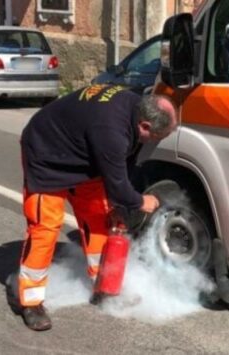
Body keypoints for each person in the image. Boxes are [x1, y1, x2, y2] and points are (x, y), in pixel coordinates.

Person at [15, 84, 178, 331]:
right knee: (45, 228)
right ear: (144, 126)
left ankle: (104, 285)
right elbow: (118, 183)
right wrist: (139, 202)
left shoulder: (135, 108)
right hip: (45, 156)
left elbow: (125, 164)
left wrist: (119, 206)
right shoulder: (111, 130)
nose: (155, 142)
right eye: (156, 137)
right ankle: (31, 301)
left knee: (100, 221)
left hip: (83, 158)